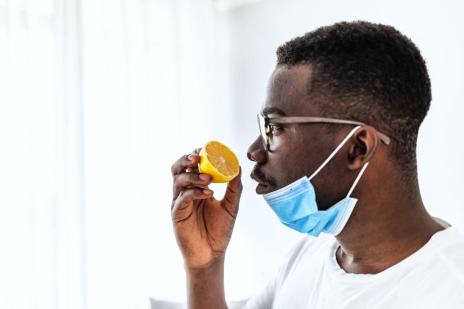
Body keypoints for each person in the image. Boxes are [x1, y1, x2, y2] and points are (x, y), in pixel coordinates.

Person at [170, 21, 464, 308]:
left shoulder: (450, 290)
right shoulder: (311, 254)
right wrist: (205, 267)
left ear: (356, 148)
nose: (254, 151)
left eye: (275, 128)